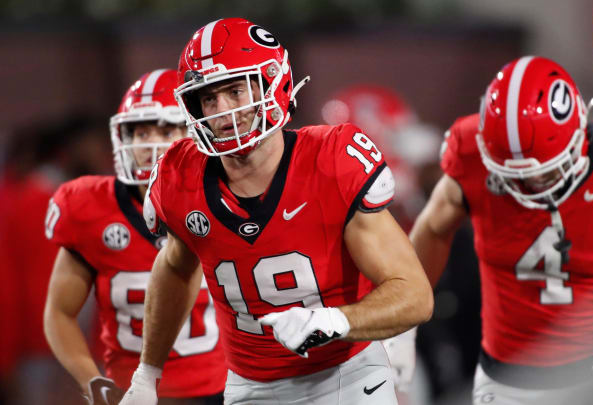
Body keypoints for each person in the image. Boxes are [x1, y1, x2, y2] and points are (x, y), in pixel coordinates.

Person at [119, 18, 433, 405]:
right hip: (250, 385)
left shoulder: (330, 161)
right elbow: (174, 269)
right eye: (209, 98)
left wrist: (335, 320)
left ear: (273, 83)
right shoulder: (178, 177)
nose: (223, 111)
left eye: (235, 90)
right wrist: (148, 373)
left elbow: (415, 294)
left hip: (346, 375)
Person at [409, 56, 593, 404]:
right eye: (510, 173)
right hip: (502, 379)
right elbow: (432, 230)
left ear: (577, 139)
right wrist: (401, 328)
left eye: (543, 172)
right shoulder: (470, 152)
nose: (527, 183)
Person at [43, 69, 226, 405]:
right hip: (132, 393)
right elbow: (59, 312)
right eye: (141, 131)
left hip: (226, 389)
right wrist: (92, 381)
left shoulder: (228, 198)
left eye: (167, 129)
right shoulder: (88, 206)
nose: (151, 143)